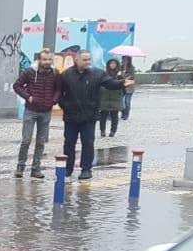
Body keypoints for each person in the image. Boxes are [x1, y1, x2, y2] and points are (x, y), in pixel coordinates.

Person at [58, 50, 133, 181]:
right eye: (85, 60)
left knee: (88, 143)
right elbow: (59, 93)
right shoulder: (66, 75)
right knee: (69, 143)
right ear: (77, 60)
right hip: (71, 116)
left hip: (89, 116)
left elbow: (110, 83)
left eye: (89, 59)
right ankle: (67, 169)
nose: (88, 62)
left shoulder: (97, 74)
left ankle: (86, 169)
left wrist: (121, 83)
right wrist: (65, 106)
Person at [12, 47, 59, 179]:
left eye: (50, 59)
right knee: (26, 140)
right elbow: (17, 85)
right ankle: (20, 167)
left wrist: (53, 100)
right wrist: (28, 97)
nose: (47, 62)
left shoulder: (55, 73)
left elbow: (58, 89)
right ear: (39, 59)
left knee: (41, 142)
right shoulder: (30, 72)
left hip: (46, 111)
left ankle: (36, 168)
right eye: (44, 59)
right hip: (31, 110)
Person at [98, 58, 124, 138]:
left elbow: (124, 85)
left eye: (114, 63)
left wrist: (121, 77)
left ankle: (113, 131)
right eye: (111, 63)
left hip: (115, 97)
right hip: (104, 97)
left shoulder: (120, 74)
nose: (112, 65)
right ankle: (102, 131)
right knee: (103, 116)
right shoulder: (104, 74)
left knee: (114, 116)